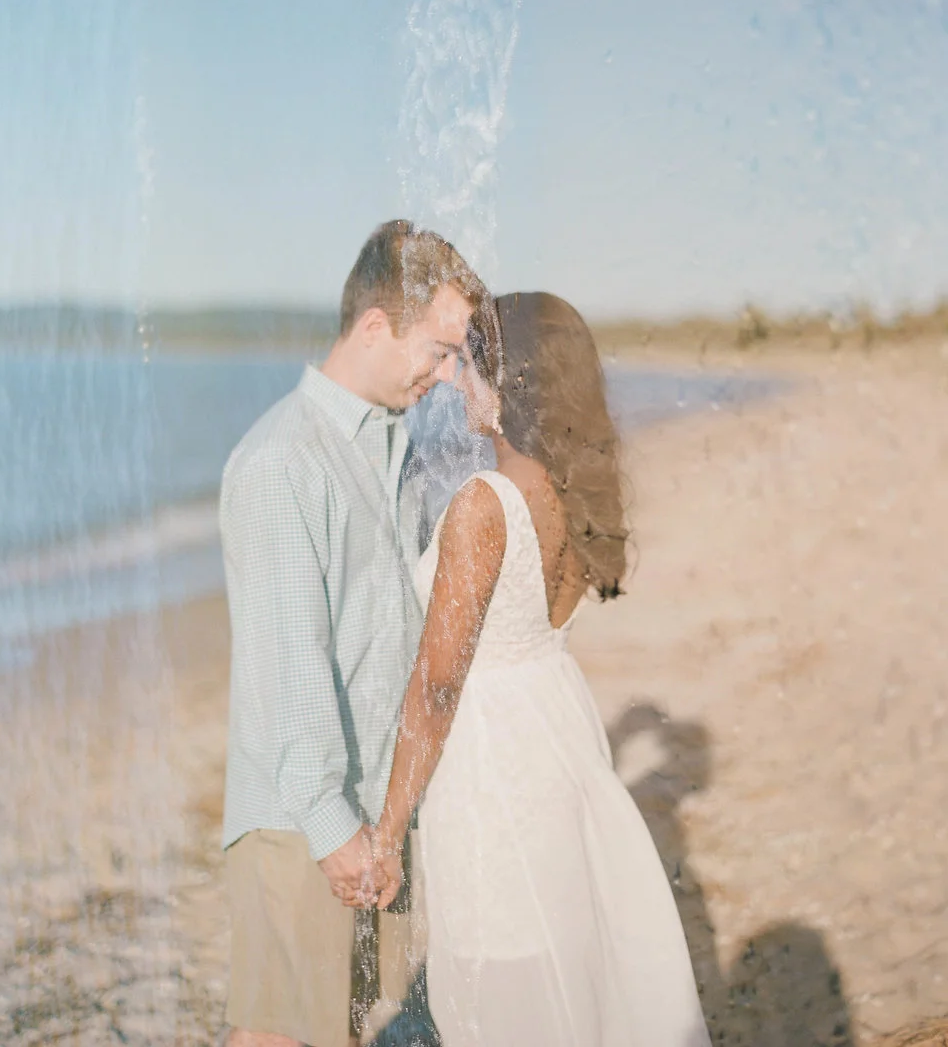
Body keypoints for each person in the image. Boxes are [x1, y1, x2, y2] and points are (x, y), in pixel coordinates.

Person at [368, 291, 712, 1046]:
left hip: (495, 759)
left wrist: (387, 831)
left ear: (513, 382)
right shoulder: (573, 490)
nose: (457, 384)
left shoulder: (483, 505)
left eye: (470, 367)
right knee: (558, 948)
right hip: (555, 726)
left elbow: (436, 685)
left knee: (502, 973)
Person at [220, 219, 487, 1047]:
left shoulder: (389, 444)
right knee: (281, 1036)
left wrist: (387, 821)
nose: (446, 376)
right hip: (303, 820)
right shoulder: (282, 463)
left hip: (374, 811)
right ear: (375, 327)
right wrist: (338, 835)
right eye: (439, 351)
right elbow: (289, 659)